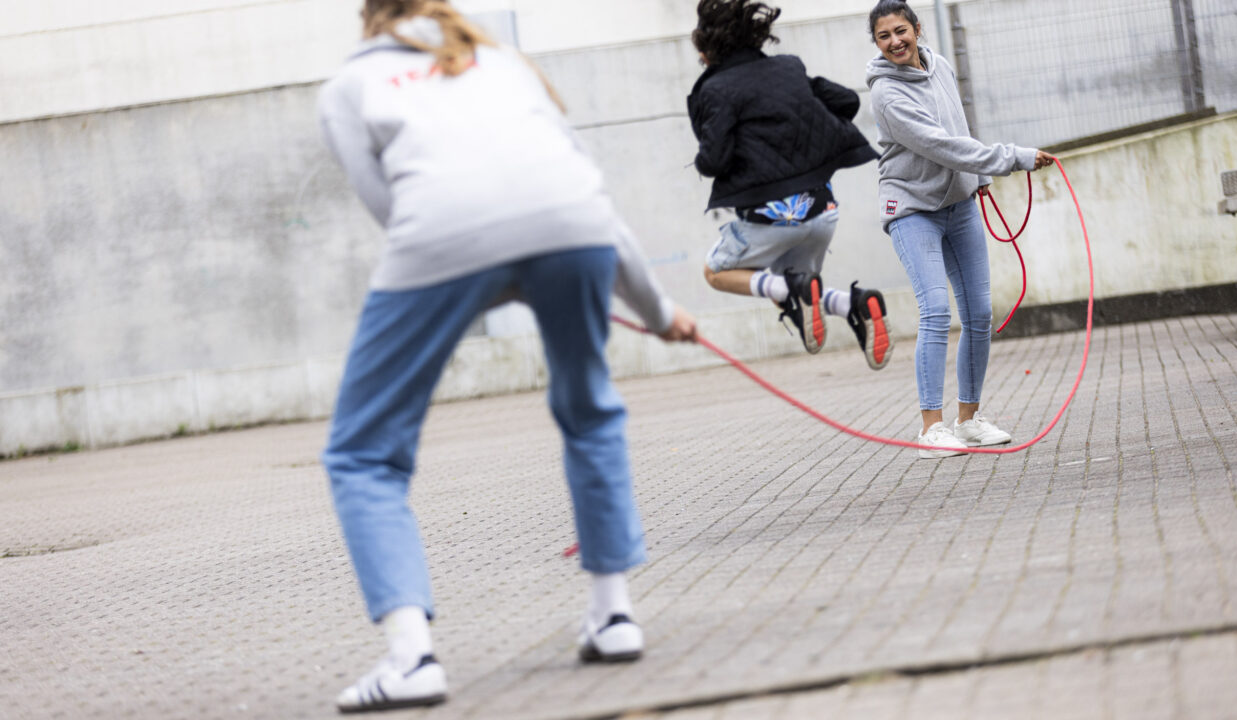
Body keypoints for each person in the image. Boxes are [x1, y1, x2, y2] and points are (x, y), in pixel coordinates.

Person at [316, 0, 697, 712]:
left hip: (442, 237)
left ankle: (411, 659)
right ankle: (614, 614)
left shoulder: (349, 86)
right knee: (589, 409)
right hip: (573, 227)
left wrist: (481, 273)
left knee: (362, 453)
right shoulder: (502, 61)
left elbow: (392, 210)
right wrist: (657, 311)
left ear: (368, 15)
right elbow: (586, 190)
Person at [865, 0, 1056, 458]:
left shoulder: (941, 66)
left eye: (900, 31)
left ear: (917, 28)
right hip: (912, 209)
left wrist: (980, 178)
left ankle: (968, 421)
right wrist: (1014, 157)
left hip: (960, 204)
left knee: (979, 313)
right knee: (935, 310)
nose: (895, 42)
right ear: (876, 43)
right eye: (884, 36)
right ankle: (931, 429)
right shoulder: (886, 94)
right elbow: (942, 146)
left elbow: (959, 127)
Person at [687, 0, 894, 370]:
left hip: (770, 218)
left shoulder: (716, 88)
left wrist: (703, 160)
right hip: (822, 212)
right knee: (788, 287)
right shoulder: (789, 68)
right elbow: (846, 100)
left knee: (715, 272)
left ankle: (798, 289)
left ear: (707, 49)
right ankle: (858, 304)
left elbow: (713, 160)